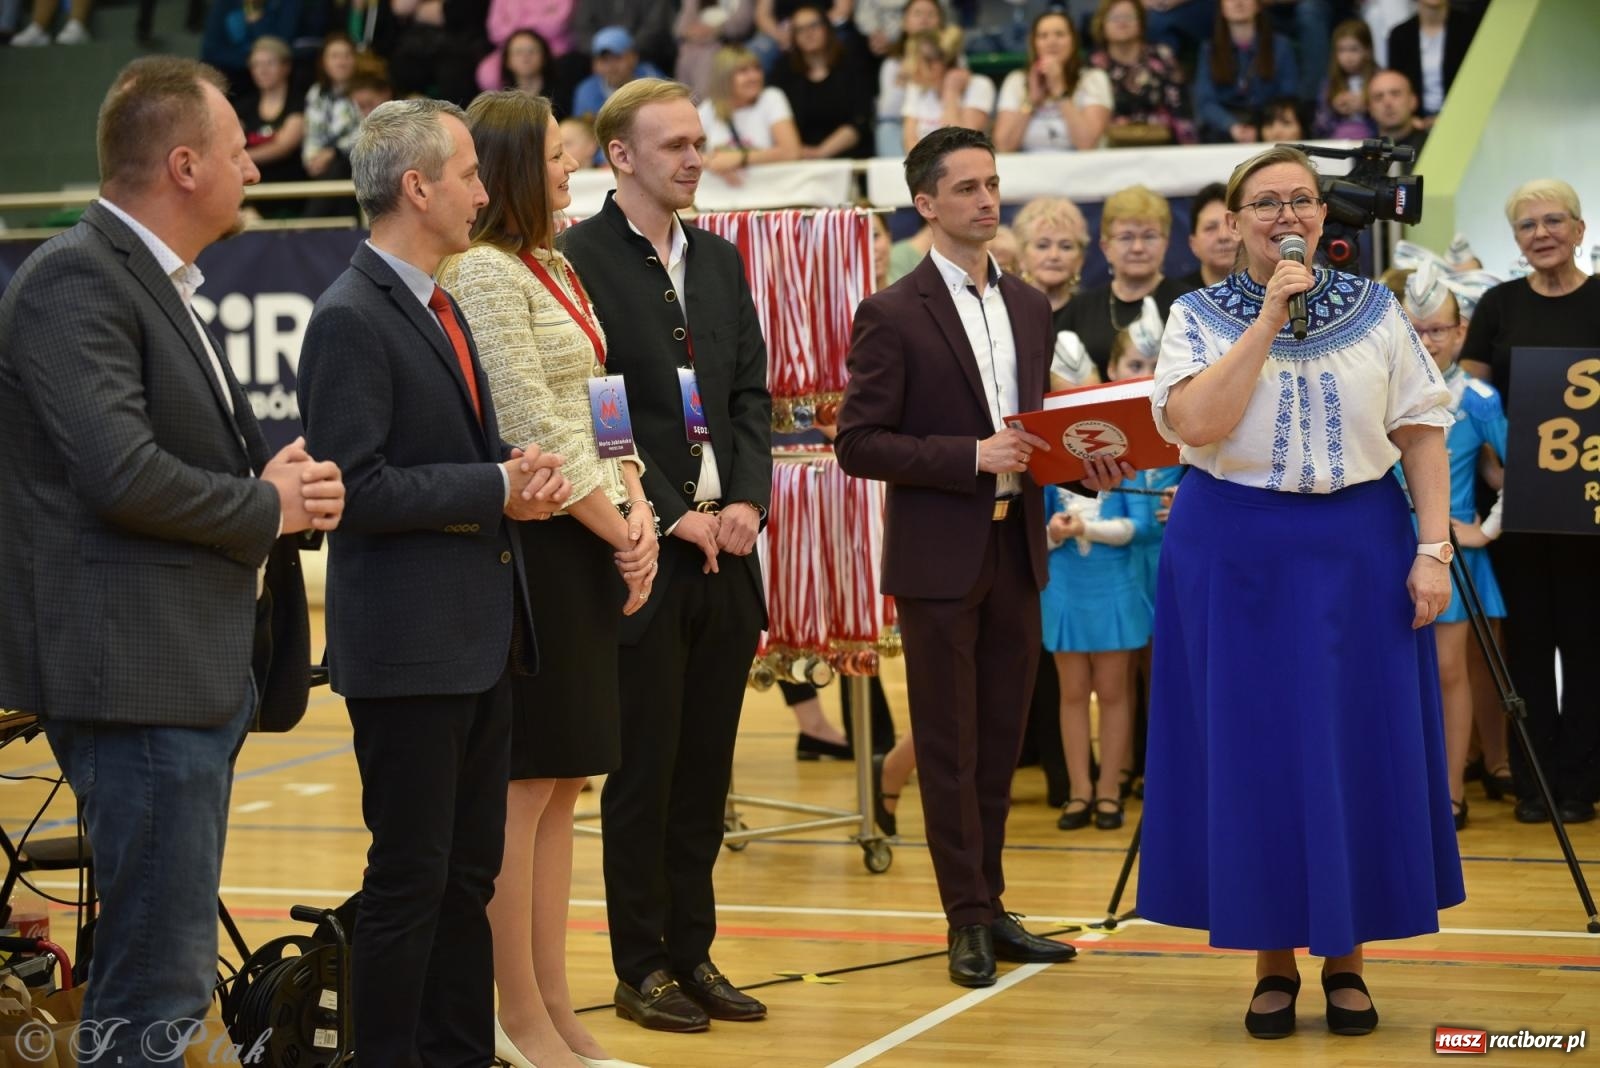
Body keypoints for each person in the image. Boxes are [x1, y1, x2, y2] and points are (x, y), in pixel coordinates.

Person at [0, 55, 344, 1065]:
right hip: (132, 676)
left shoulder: (151, 280)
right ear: (183, 164)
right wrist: (263, 503)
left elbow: (141, 465)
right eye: (240, 148)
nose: (256, 164)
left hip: (183, 669)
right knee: (157, 975)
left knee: (167, 967)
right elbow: (118, 476)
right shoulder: (76, 277)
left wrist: (257, 477)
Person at [1138, 144, 1464, 1039]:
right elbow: (1198, 422)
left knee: (1353, 743)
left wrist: (1432, 549)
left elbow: (1423, 433)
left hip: (1358, 544)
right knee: (1255, 750)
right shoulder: (1196, 315)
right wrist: (1269, 316)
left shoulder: (1381, 310)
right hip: (1233, 550)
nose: (1289, 215)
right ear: (1235, 220)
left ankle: (1350, 959)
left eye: (1304, 200)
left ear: (1325, 215)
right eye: (1267, 202)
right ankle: (1271, 961)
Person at [296, 97, 571, 1067]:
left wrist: (514, 473)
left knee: (466, 877)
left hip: (475, 639)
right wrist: (493, 483)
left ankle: (458, 1052)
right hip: (410, 652)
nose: (484, 191)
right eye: (467, 173)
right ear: (416, 186)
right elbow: (353, 486)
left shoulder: (440, 300)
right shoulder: (348, 317)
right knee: (411, 881)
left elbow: (448, 457)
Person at [835, 125, 1096, 990]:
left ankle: (993, 902)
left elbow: (1030, 430)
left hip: (1017, 548)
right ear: (926, 204)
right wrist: (966, 456)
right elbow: (859, 443)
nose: (988, 200)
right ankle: (964, 919)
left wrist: (1089, 457)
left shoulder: (1027, 303)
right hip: (939, 556)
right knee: (946, 746)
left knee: (998, 741)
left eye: (994, 184)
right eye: (968, 188)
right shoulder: (891, 311)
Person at [436, 90, 658, 1068]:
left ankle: (560, 1013)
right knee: (524, 791)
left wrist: (640, 498)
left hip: (597, 531)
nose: (574, 173)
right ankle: (513, 1020)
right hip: (542, 547)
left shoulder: (555, 264)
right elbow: (530, 422)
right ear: (520, 165)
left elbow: (602, 403)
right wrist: (615, 529)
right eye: (560, 159)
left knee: (566, 782)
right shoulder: (481, 272)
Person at [560, 78, 774, 1033]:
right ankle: (638, 962)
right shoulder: (581, 260)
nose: (694, 157)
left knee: (706, 772)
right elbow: (600, 406)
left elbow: (748, 398)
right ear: (620, 156)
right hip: (645, 551)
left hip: (731, 553)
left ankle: (694, 952)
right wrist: (677, 506)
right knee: (644, 769)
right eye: (674, 144)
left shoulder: (722, 261)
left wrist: (749, 503)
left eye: (699, 141)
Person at [1459, 178, 1600, 826]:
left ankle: (1582, 783)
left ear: (1578, 228)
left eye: (1552, 221)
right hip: (1515, 508)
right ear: (1515, 239)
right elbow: (1470, 403)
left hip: (1589, 511)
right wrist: (1492, 467)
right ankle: (1534, 783)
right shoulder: (1497, 305)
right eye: (1526, 225)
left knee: (1588, 645)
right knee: (1528, 647)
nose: (1541, 234)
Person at [1044, 308, 1166, 833]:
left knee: (1115, 691)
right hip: (1064, 586)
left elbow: (1140, 526)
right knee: (1072, 692)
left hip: (1115, 583)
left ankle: (1111, 790)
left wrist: (1085, 531)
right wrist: (1053, 532)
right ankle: (1079, 791)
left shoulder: (1126, 451)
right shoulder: (1046, 455)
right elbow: (1034, 524)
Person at [1398, 264, 1507, 833]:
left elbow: (1523, 472)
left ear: (1460, 333)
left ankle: (1450, 794)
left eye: (1437, 330)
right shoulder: (1380, 390)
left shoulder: (1480, 397)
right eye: (1413, 330)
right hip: (1385, 550)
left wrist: (1485, 529)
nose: (1426, 342)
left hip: (1448, 552)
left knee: (1447, 671)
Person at [1053, 184, 1191, 379]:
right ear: (1105, 247)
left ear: (1166, 243)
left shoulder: (1189, 305)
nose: (1137, 247)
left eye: (1149, 236)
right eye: (1126, 237)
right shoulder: (1079, 309)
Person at [993, 9, 1113, 153]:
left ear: (1073, 41)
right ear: (1034, 43)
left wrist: (1060, 90)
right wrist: (1031, 101)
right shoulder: (1016, 81)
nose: (1051, 42)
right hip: (1028, 170)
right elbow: (1004, 147)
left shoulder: (1093, 78)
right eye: (1043, 36)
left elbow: (1087, 144)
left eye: (1060, 34)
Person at [1087, 0, 1196, 147]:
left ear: (1141, 22)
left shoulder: (1162, 57)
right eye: (1115, 17)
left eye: (1129, 16)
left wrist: (1188, 148)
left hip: (1161, 146)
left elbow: (1180, 107)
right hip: (1111, 149)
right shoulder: (1095, 66)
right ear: (1102, 24)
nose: (1122, 22)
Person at [772, 4, 872, 160]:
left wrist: (821, 152)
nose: (808, 33)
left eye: (814, 25)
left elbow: (860, 120)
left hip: (848, 158)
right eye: (800, 29)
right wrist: (798, 152)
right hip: (799, 160)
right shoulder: (784, 72)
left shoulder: (851, 64)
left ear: (827, 28)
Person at [1193, 0, 1297, 144]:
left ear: (1258, 5)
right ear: (1221, 8)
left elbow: (1288, 95)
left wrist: (1264, 127)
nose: (1238, 2)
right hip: (1224, 132)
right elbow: (1205, 102)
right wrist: (1231, 126)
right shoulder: (1209, 50)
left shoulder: (1280, 47)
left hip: (1269, 128)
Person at [699, 45, 803, 176]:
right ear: (724, 78)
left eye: (757, 69)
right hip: (724, 193)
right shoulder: (708, 108)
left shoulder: (771, 98)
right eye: (743, 71)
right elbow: (681, 153)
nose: (754, 77)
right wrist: (711, 162)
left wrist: (739, 158)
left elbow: (791, 152)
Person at [237, 36, 308, 214]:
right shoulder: (245, 106)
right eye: (256, 64)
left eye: (269, 63)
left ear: (286, 67)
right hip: (249, 191)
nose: (263, 70)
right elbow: (229, 142)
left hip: (287, 193)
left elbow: (283, 146)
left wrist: (241, 158)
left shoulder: (298, 102)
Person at [900, 26, 996, 151]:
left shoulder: (979, 85)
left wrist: (951, 93)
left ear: (935, 65)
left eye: (913, 60)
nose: (904, 67)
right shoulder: (916, 88)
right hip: (925, 168)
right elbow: (910, 144)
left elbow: (963, 147)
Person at [1386, 0, 1482, 122]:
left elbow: (1479, 80)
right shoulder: (1400, 35)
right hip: (1415, 123)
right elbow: (1396, 82)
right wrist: (1410, 120)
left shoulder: (1472, 28)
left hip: (1465, 116)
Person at [872, 0, 945, 156]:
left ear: (941, 22)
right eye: (917, 13)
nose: (924, 19)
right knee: (887, 128)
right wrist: (905, 79)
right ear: (905, 23)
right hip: (903, 126)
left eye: (931, 14)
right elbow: (887, 113)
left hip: (941, 122)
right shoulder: (893, 63)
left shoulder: (953, 59)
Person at [573, 26, 667, 120]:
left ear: (633, 57)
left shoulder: (652, 76)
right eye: (604, 60)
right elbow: (584, 130)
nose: (611, 66)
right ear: (595, 64)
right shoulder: (586, 92)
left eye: (617, 57)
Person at [674, 0, 758, 99]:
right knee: (687, 51)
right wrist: (692, 32)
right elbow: (680, 28)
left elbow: (741, 24)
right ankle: (685, 103)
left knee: (707, 53)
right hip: (694, 44)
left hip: (725, 42)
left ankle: (702, 103)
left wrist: (717, 30)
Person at [1313, 18, 1378, 140]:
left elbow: (1388, 121)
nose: (1347, 57)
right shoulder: (1329, 84)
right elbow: (1319, 126)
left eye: (1354, 49)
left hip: (1371, 141)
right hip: (1338, 142)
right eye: (1341, 50)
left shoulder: (1379, 80)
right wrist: (1334, 110)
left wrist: (1367, 109)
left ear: (1368, 51)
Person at [1176, 181, 1236, 292]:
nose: (1223, 236)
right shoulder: (1177, 300)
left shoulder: (1271, 291)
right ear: (1193, 244)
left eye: (1231, 225)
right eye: (1211, 228)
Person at [1366, 69, 1428, 160]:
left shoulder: (1434, 146)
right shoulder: (1364, 155)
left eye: (1395, 94)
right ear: (1369, 108)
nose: (1387, 103)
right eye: (1378, 97)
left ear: (1413, 101)